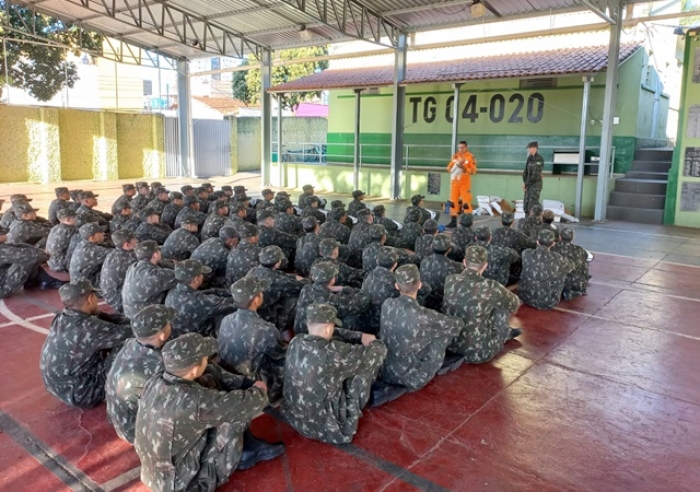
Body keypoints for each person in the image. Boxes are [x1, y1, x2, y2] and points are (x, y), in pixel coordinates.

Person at [134, 333, 284, 492]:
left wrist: (241, 382)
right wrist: (259, 388)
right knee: (235, 415)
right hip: (183, 485)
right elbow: (249, 403)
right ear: (193, 370)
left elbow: (209, 372)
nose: (209, 360)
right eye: (206, 358)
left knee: (208, 380)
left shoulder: (156, 380)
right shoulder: (193, 401)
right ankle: (244, 455)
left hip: (158, 474)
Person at [281, 303, 387, 444]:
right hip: (324, 428)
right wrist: (373, 342)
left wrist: (358, 335)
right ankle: (348, 418)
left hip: (294, 418)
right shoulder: (334, 352)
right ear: (328, 328)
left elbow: (329, 332)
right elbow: (378, 354)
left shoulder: (296, 341)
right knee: (364, 368)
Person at [40, 280, 132, 408]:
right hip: (82, 393)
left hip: (58, 387)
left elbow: (110, 318)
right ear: (90, 299)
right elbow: (134, 332)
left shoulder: (63, 317)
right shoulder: (88, 327)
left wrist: (130, 321)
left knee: (111, 339)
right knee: (128, 343)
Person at [380, 264, 464, 391]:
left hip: (384, 370)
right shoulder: (425, 316)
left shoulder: (387, 304)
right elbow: (457, 326)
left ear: (397, 286)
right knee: (442, 334)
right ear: (419, 285)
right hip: (412, 377)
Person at [105, 304, 174, 443]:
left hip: (119, 421)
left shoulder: (130, 344)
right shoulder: (159, 364)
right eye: (168, 324)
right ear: (162, 335)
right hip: (137, 432)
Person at [443, 246, 522, 364]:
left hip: (449, 344)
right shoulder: (492, 286)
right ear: (485, 265)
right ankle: (503, 334)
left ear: (464, 262)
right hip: (478, 352)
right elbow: (514, 304)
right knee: (501, 308)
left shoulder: (450, 279)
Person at [218, 277, 287, 404]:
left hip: (224, 375)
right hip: (249, 382)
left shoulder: (225, 319)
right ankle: (272, 397)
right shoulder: (265, 329)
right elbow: (280, 356)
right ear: (256, 299)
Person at [164, 259, 235, 338]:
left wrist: (216, 291)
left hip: (178, 334)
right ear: (196, 279)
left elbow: (201, 294)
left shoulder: (172, 292)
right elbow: (234, 304)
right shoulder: (199, 301)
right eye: (202, 274)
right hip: (196, 338)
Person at [246, 245, 308, 332]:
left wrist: (294, 277)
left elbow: (282, 275)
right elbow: (301, 286)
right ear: (277, 263)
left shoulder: (253, 270)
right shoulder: (277, 281)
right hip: (267, 317)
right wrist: (307, 280)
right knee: (300, 297)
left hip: (252, 313)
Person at [518, 229, 574, 310]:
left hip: (525, 297)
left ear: (537, 242)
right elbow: (571, 267)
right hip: (548, 301)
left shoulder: (526, 253)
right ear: (553, 243)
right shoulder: (557, 257)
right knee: (563, 271)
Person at [122, 240, 178, 318]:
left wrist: (170, 263)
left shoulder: (134, 266)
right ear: (155, 255)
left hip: (130, 313)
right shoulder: (155, 275)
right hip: (146, 319)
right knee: (180, 290)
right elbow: (183, 276)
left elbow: (160, 263)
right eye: (158, 250)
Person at [0, 228, 51, 297]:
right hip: (3, 289)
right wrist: (44, 254)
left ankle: (34, 281)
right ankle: (36, 281)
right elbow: (32, 255)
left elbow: (15, 246)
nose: (6, 235)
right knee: (27, 259)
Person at [419, 234, 464, 310]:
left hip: (426, 301)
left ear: (432, 246)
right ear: (449, 249)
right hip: (443, 303)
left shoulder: (424, 261)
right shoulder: (456, 267)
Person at [100, 229, 138, 314]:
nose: (137, 241)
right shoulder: (130, 258)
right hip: (119, 300)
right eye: (134, 239)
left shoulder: (112, 253)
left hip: (108, 294)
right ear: (127, 244)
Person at [552, 227, 589, 300]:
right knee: (584, 263)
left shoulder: (553, 248)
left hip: (557, 282)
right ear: (573, 238)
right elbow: (586, 257)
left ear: (559, 237)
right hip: (575, 282)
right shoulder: (580, 250)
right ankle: (579, 288)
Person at [446, 140, 477, 227]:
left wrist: (464, 168)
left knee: (466, 204)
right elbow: (450, 166)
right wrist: (449, 168)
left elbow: (474, 171)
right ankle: (453, 221)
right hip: (455, 184)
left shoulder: (471, 157)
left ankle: (467, 223)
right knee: (453, 203)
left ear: (466, 147)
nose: (460, 149)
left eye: (462, 147)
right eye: (459, 147)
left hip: (464, 185)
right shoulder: (455, 156)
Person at [523, 141, 545, 216]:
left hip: (535, 185)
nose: (528, 149)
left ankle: (535, 220)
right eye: (528, 148)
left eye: (530, 147)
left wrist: (526, 184)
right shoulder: (529, 157)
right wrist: (524, 183)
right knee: (526, 205)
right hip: (528, 184)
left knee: (532, 205)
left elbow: (535, 175)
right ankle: (526, 221)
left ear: (535, 148)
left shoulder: (539, 159)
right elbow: (525, 171)